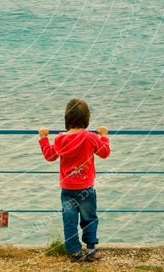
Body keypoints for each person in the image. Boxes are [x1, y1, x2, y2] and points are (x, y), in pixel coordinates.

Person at [38, 98, 110, 262]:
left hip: (68, 188)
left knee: (69, 220)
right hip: (86, 187)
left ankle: (74, 252)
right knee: (89, 218)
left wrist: (43, 138)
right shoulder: (90, 137)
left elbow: (50, 156)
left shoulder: (60, 139)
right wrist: (104, 136)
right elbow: (104, 153)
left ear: (67, 119)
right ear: (87, 119)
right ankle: (91, 249)